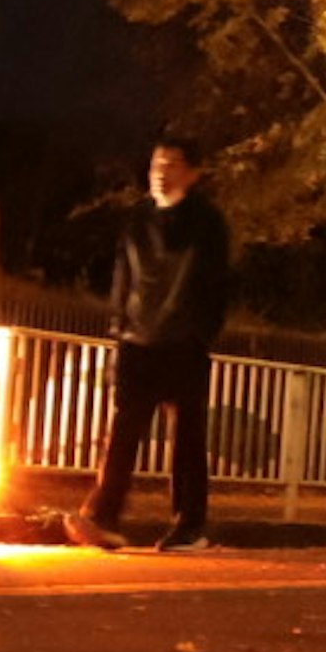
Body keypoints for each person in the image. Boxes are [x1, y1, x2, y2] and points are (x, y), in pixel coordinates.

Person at [74, 137, 234, 554]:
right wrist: (119, 326)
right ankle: (104, 516)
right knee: (124, 431)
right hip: (136, 339)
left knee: (187, 436)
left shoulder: (207, 221)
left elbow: (218, 283)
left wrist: (201, 333)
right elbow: (123, 276)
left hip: (184, 340)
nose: (162, 171)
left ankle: (190, 524)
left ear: (194, 173)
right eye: (156, 164)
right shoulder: (137, 217)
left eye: (174, 164)